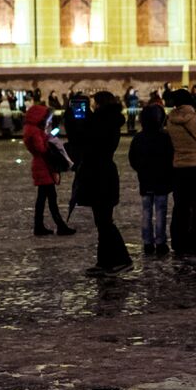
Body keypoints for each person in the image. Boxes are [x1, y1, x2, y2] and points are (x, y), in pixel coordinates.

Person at [72, 91, 132, 275]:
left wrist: (78, 120)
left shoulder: (102, 122)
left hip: (100, 175)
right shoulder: (107, 121)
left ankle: (123, 260)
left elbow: (86, 140)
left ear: (100, 104)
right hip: (102, 173)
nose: (91, 106)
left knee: (105, 222)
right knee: (102, 221)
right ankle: (104, 261)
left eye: (94, 103)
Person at [167, 88, 196, 255]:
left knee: (180, 207)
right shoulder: (195, 118)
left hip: (179, 167)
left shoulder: (170, 120)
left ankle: (180, 243)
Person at [21, 102, 75, 237]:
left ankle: (39, 226)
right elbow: (42, 149)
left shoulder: (33, 130)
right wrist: (49, 140)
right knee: (51, 198)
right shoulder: (35, 132)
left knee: (43, 198)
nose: (49, 121)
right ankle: (60, 226)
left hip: (41, 166)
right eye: (47, 119)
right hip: (43, 167)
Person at [128, 104, 174, 256]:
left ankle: (148, 243)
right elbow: (170, 157)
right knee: (161, 212)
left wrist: (141, 169)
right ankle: (160, 243)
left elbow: (132, 158)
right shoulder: (165, 137)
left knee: (146, 212)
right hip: (162, 179)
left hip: (145, 178)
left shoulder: (139, 138)